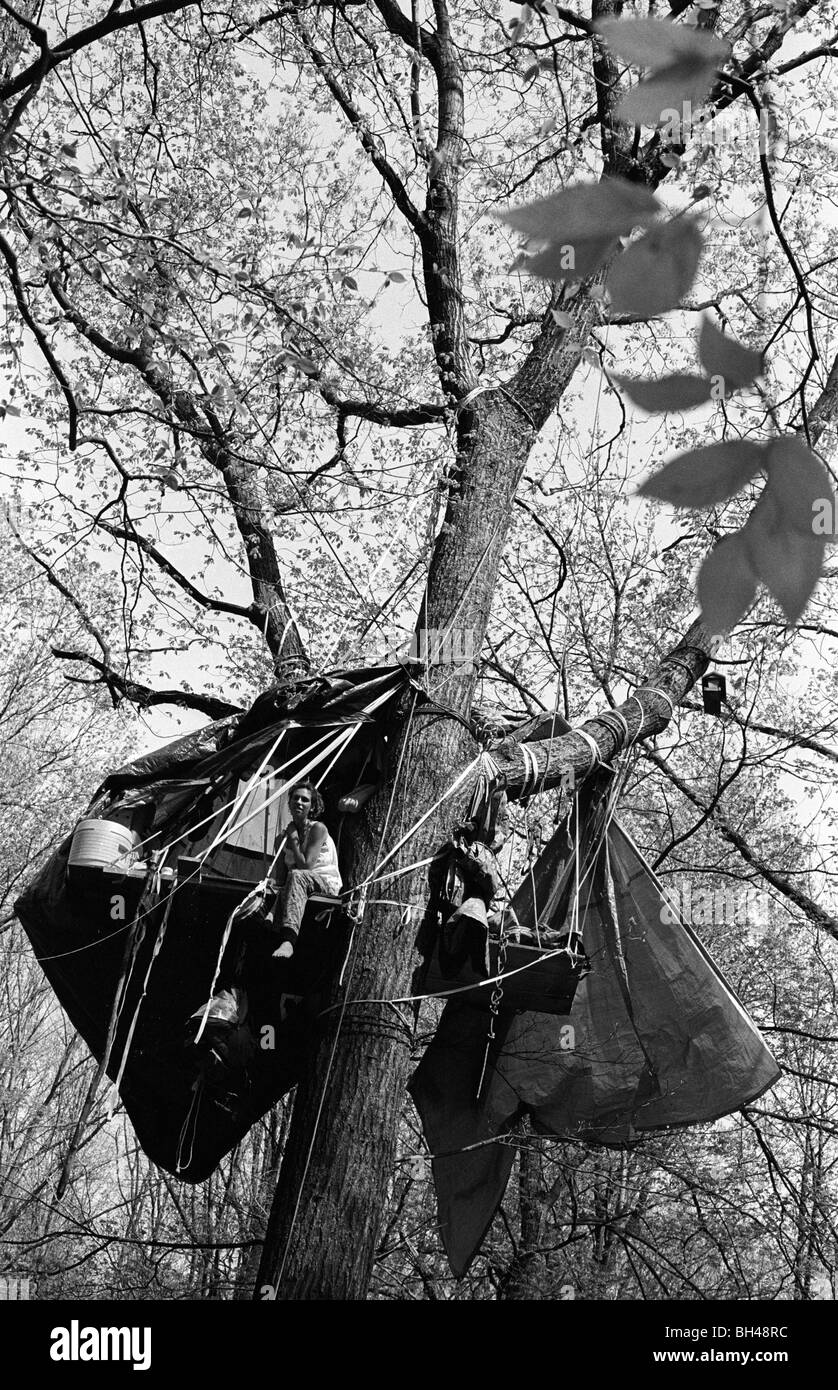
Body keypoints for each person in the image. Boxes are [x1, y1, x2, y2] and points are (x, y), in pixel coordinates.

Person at [270, 781, 342, 961]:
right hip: (297, 884)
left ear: (312, 807)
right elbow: (281, 877)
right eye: (296, 798)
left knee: (297, 875)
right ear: (290, 802)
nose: (299, 802)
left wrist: (294, 838)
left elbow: (306, 866)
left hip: (323, 884)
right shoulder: (281, 839)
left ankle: (289, 940)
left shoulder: (318, 829)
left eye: (305, 800)